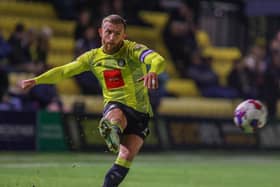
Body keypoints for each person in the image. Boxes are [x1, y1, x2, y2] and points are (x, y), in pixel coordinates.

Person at [21, 14, 165, 187]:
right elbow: (65, 71)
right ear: (100, 32)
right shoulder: (92, 57)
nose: (112, 37)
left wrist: (154, 70)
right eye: (108, 32)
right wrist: (37, 80)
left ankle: (113, 137)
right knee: (117, 116)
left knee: (124, 160)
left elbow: (157, 59)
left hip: (141, 113)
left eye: (117, 33)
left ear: (124, 36)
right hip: (116, 105)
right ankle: (112, 129)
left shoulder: (133, 50)